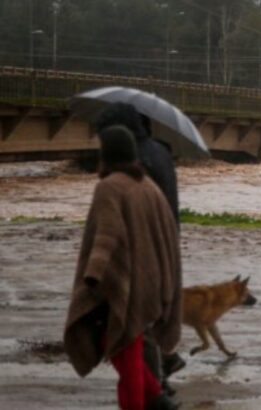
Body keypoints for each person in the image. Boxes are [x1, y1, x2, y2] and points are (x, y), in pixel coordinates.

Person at [64, 126, 182, 410]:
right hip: (151, 285)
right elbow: (167, 234)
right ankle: (159, 400)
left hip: (121, 286)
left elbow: (107, 235)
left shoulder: (110, 186)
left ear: (108, 153)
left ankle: (150, 402)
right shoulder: (148, 186)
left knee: (125, 356)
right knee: (125, 349)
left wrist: (93, 275)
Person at [94, 103, 185, 392]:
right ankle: (163, 372)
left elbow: (112, 229)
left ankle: (157, 386)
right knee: (152, 318)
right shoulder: (161, 151)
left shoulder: (135, 165)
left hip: (142, 249)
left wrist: (95, 273)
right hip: (167, 239)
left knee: (133, 326)